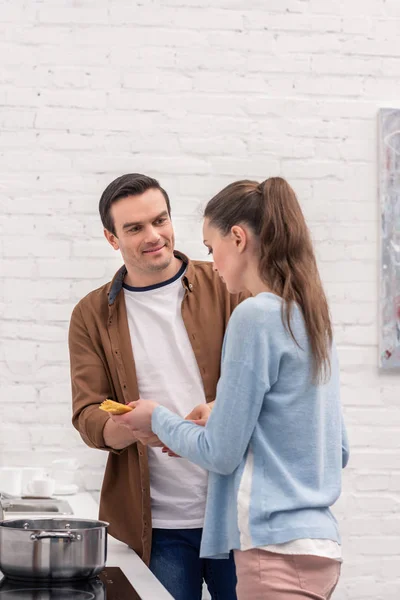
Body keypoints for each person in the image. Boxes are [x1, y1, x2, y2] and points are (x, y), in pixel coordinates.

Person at [113, 177, 350, 600]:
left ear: (237, 238)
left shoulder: (254, 316)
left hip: (271, 550)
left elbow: (220, 454)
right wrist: (223, 410)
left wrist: (157, 419)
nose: (212, 263)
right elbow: (337, 448)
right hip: (320, 547)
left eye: (210, 247)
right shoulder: (309, 314)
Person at [69, 173, 249, 600]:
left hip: (236, 516)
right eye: (134, 228)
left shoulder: (227, 287)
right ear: (112, 239)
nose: (154, 236)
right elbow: (88, 415)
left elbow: (266, 384)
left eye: (160, 220)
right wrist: (134, 425)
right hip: (157, 527)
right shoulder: (91, 314)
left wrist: (216, 408)